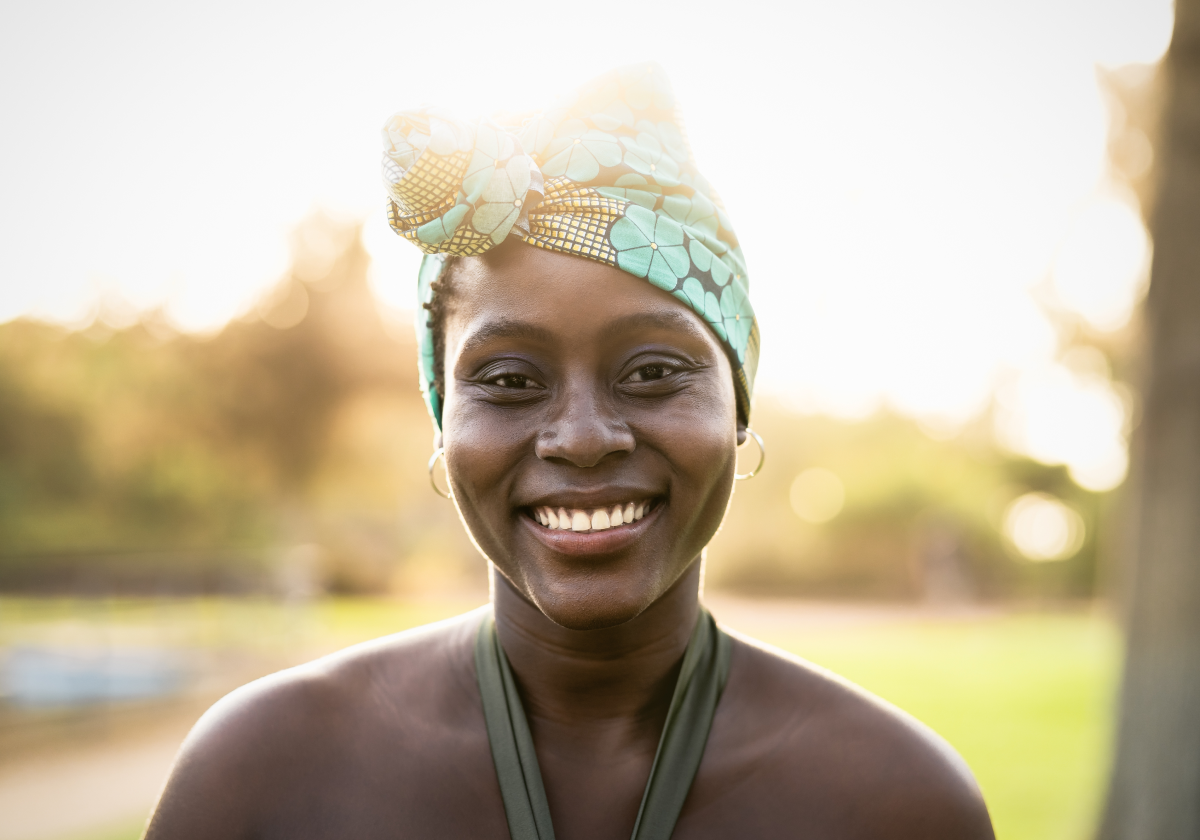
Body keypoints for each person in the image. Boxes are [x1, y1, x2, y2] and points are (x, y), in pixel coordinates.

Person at [145, 64, 995, 839]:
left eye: (653, 371)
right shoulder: (262, 777)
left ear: (737, 404)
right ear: (444, 422)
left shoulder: (896, 803)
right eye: (511, 381)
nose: (584, 438)